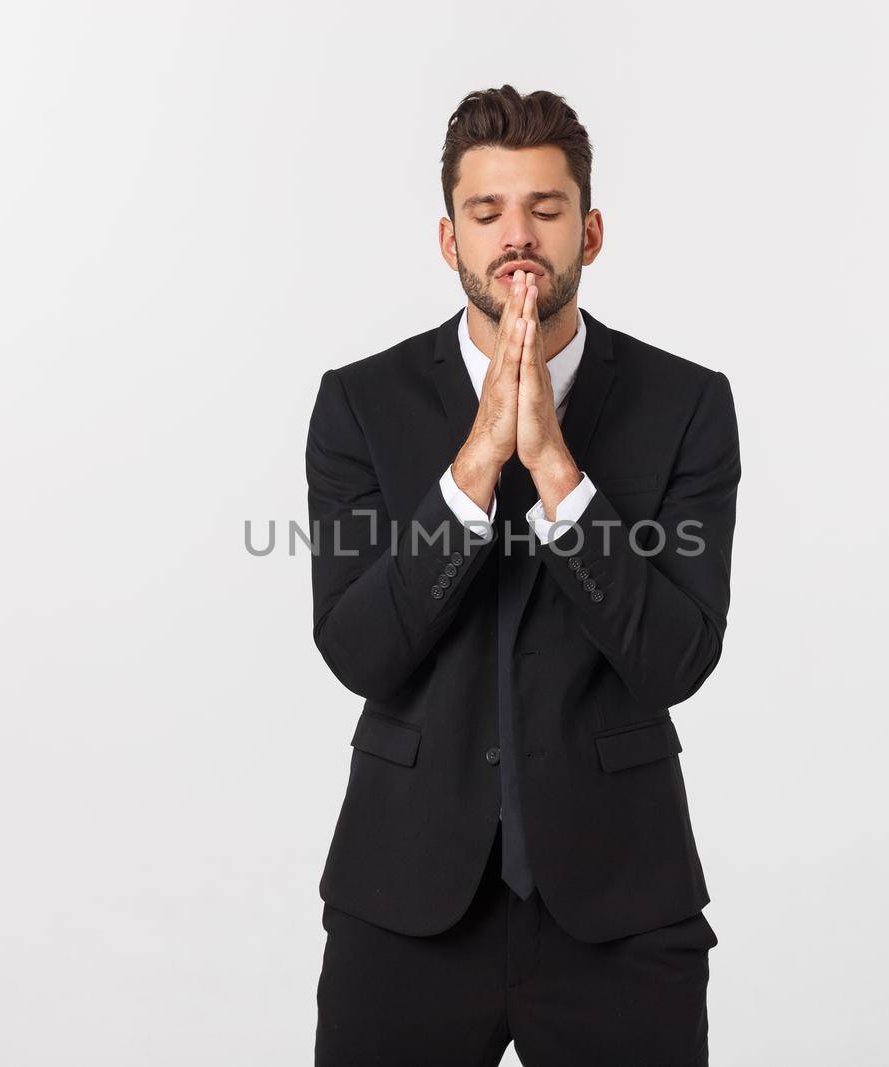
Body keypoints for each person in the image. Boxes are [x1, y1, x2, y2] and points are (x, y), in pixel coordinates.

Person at [305, 84, 742, 1066]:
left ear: (588, 232)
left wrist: (553, 469)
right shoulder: (358, 405)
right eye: (487, 210)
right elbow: (358, 645)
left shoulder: (687, 406)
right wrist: (471, 469)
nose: (517, 235)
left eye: (544, 210)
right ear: (447, 236)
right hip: (404, 896)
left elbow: (677, 657)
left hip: (622, 902)